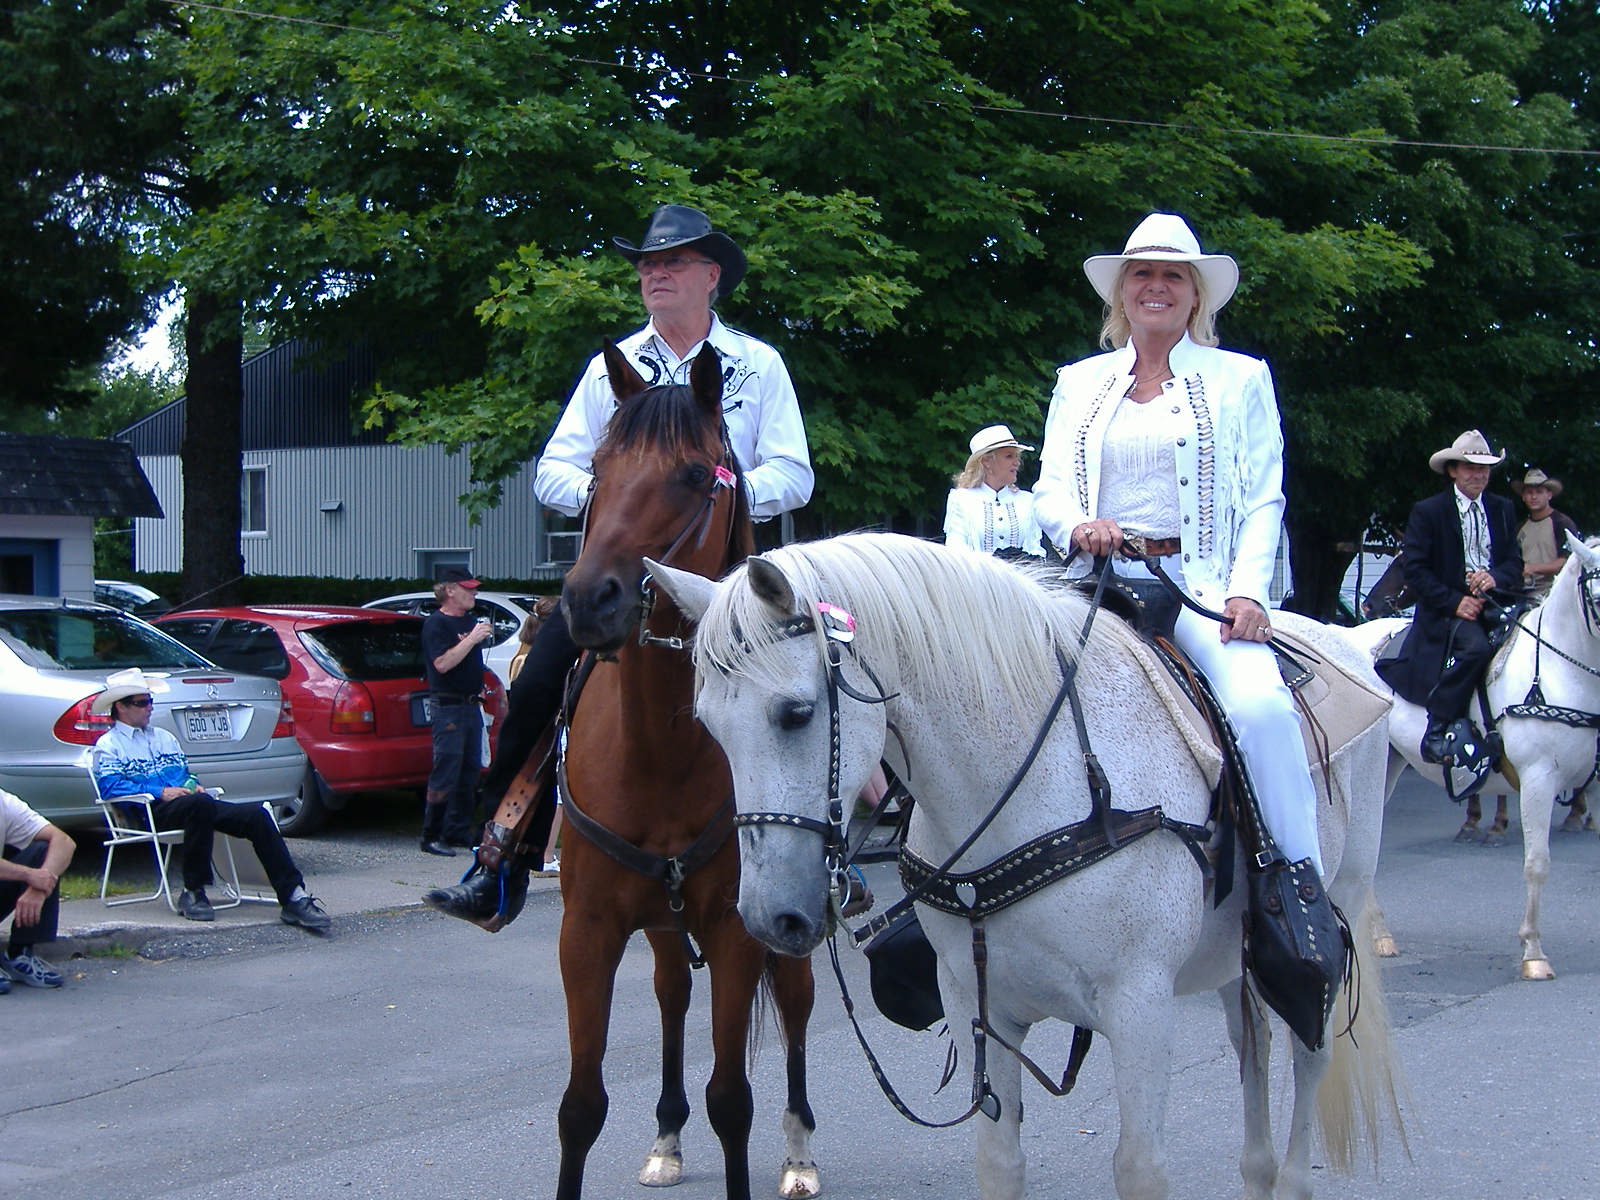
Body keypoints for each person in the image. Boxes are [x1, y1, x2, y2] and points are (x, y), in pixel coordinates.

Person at [428, 203, 813, 924]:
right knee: (540, 682)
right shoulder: (610, 372)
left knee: (815, 692)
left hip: (727, 581)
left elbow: (795, 472)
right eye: (646, 264)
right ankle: (499, 858)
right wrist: (610, 497)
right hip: (621, 579)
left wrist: (725, 492)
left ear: (711, 276)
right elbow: (553, 471)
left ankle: (833, 855)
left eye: (671, 262)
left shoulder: (758, 366)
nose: (653, 273)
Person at [1033, 211, 1322, 874]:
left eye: (1172, 275)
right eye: (1142, 273)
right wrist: (1078, 524)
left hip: (1197, 588)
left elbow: (1262, 497)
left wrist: (1248, 591)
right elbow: (1049, 487)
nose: (1155, 286)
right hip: (1090, 585)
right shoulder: (1078, 380)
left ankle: (1296, 887)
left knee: (1261, 711)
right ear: (1122, 291)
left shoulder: (1240, 378)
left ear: (1196, 294)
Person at [89, 669, 331, 930]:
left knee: (257, 815)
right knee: (199, 806)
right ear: (121, 708)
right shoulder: (109, 744)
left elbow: (184, 775)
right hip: (146, 811)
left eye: (150, 701)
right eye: (141, 702)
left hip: (191, 806)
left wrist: (192, 785)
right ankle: (193, 890)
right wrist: (160, 792)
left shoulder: (164, 738)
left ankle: (294, 896)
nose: (149, 707)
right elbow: (110, 787)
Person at [1375, 431, 1523, 766]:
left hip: (1497, 601)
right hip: (1446, 609)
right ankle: (1437, 727)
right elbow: (1415, 569)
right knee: (1476, 650)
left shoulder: (1502, 509)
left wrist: (1495, 576)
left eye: (1484, 468)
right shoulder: (1429, 512)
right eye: (1470, 467)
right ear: (1453, 470)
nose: (1479, 474)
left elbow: (1515, 561)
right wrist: (1455, 602)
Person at [419, 566, 496, 856]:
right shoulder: (436, 625)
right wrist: (472, 639)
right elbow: (442, 664)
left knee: (469, 771)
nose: (474, 593)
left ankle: (457, 830)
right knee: (446, 770)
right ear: (450, 590)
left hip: (470, 704)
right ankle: (431, 834)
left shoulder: (471, 620)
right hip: (447, 706)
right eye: (468, 588)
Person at [0, 787, 75, 991]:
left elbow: (64, 842)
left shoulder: (4, 802)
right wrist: (28, 874)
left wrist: (38, 888)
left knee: (45, 853)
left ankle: (20, 954)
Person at [943, 424, 1044, 557]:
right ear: (987, 461)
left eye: (1016, 457)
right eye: (1009, 456)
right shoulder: (961, 499)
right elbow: (956, 551)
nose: (1017, 462)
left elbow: (1035, 547)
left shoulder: (1027, 501)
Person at [1512, 468, 1580, 599]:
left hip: (1556, 589)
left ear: (1549, 495)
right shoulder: (1520, 527)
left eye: (1539, 492)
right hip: (1524, 591)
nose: (1533, 497)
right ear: (1523, 497)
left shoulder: (1562, 523)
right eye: (1529, 492)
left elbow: (1569, 560)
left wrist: (1533, 568)